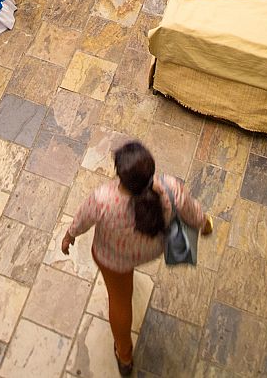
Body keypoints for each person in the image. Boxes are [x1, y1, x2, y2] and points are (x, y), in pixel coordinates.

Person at [62, 140, 212, 375]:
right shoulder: (170, 188)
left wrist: (69, 236)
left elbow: (82, 220)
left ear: (120, 175)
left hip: (113, 260)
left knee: (120, 302)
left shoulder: (103, 199)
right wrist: (204, 225)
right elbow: (192, 211)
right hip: (149, 251)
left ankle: (124, 356)